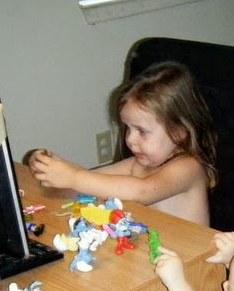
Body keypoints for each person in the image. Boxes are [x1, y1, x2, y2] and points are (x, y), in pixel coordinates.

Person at [27, 61, 217, 225]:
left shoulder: (188, 168)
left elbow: (141, 191)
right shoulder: (138, 164)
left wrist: (72, 177)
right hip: (155, 250)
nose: (130, 139)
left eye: (141, 131)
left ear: (178, 132)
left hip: (191, 256)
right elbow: (93, 180)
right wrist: (54, 168)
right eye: (127, 128)